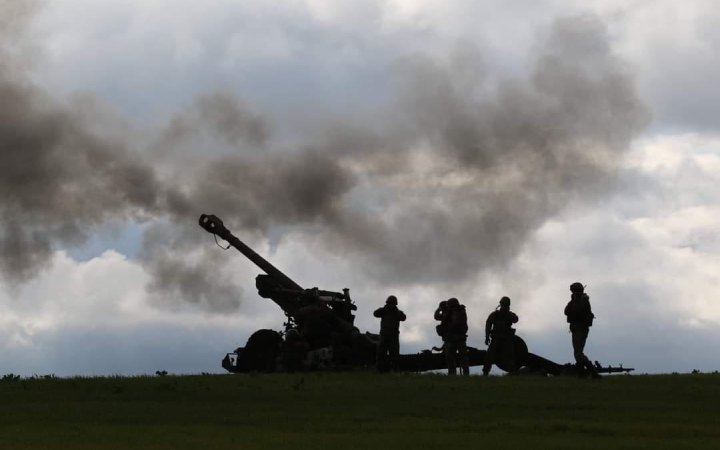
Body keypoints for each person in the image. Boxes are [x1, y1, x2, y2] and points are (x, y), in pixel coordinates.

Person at [564, 282, 601, 379]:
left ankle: (594, 373)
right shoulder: (576, 300)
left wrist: (574, 301)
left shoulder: (583, 301)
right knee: (578, 352)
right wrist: (573, 300)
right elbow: (566, 311)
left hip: (580, 329)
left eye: (573, 291)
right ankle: (582, 374)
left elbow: (576, 311)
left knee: (578, 354)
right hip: (577, 329)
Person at [483, 296, 519, 376]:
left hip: (507, 339)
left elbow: (516, 319)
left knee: (509, 357)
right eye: (503, 304)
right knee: (489, 356)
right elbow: (488, 325)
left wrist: (508, 313)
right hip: (496, 338)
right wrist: (486, 337)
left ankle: (513, 373)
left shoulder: (509, 314)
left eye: (505, 304)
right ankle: (485, 372)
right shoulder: (495, 314)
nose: (504, 306)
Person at [434, 298, 469, 376]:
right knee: (450, 358)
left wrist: (446, 314)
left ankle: (465, 375)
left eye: (449, 305)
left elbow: (456, 321)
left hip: (458, 339)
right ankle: (452, 374)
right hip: (451, 339)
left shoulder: (459, 311)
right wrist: (439, 309)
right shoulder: (449, 312)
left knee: (462, 359)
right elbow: (436, 317)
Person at [373, 295, 406, 372]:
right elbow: (375, 313)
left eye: (392, 304)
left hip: (393, 336)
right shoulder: (384, 310)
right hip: (384, 335)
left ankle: (393, 369)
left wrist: (395, 310)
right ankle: (380, 370)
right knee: (381, 353)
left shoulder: (397, 312)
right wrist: (385, 309)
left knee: (394, 354)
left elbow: (403, 317)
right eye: (389, 304)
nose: (391, 305)